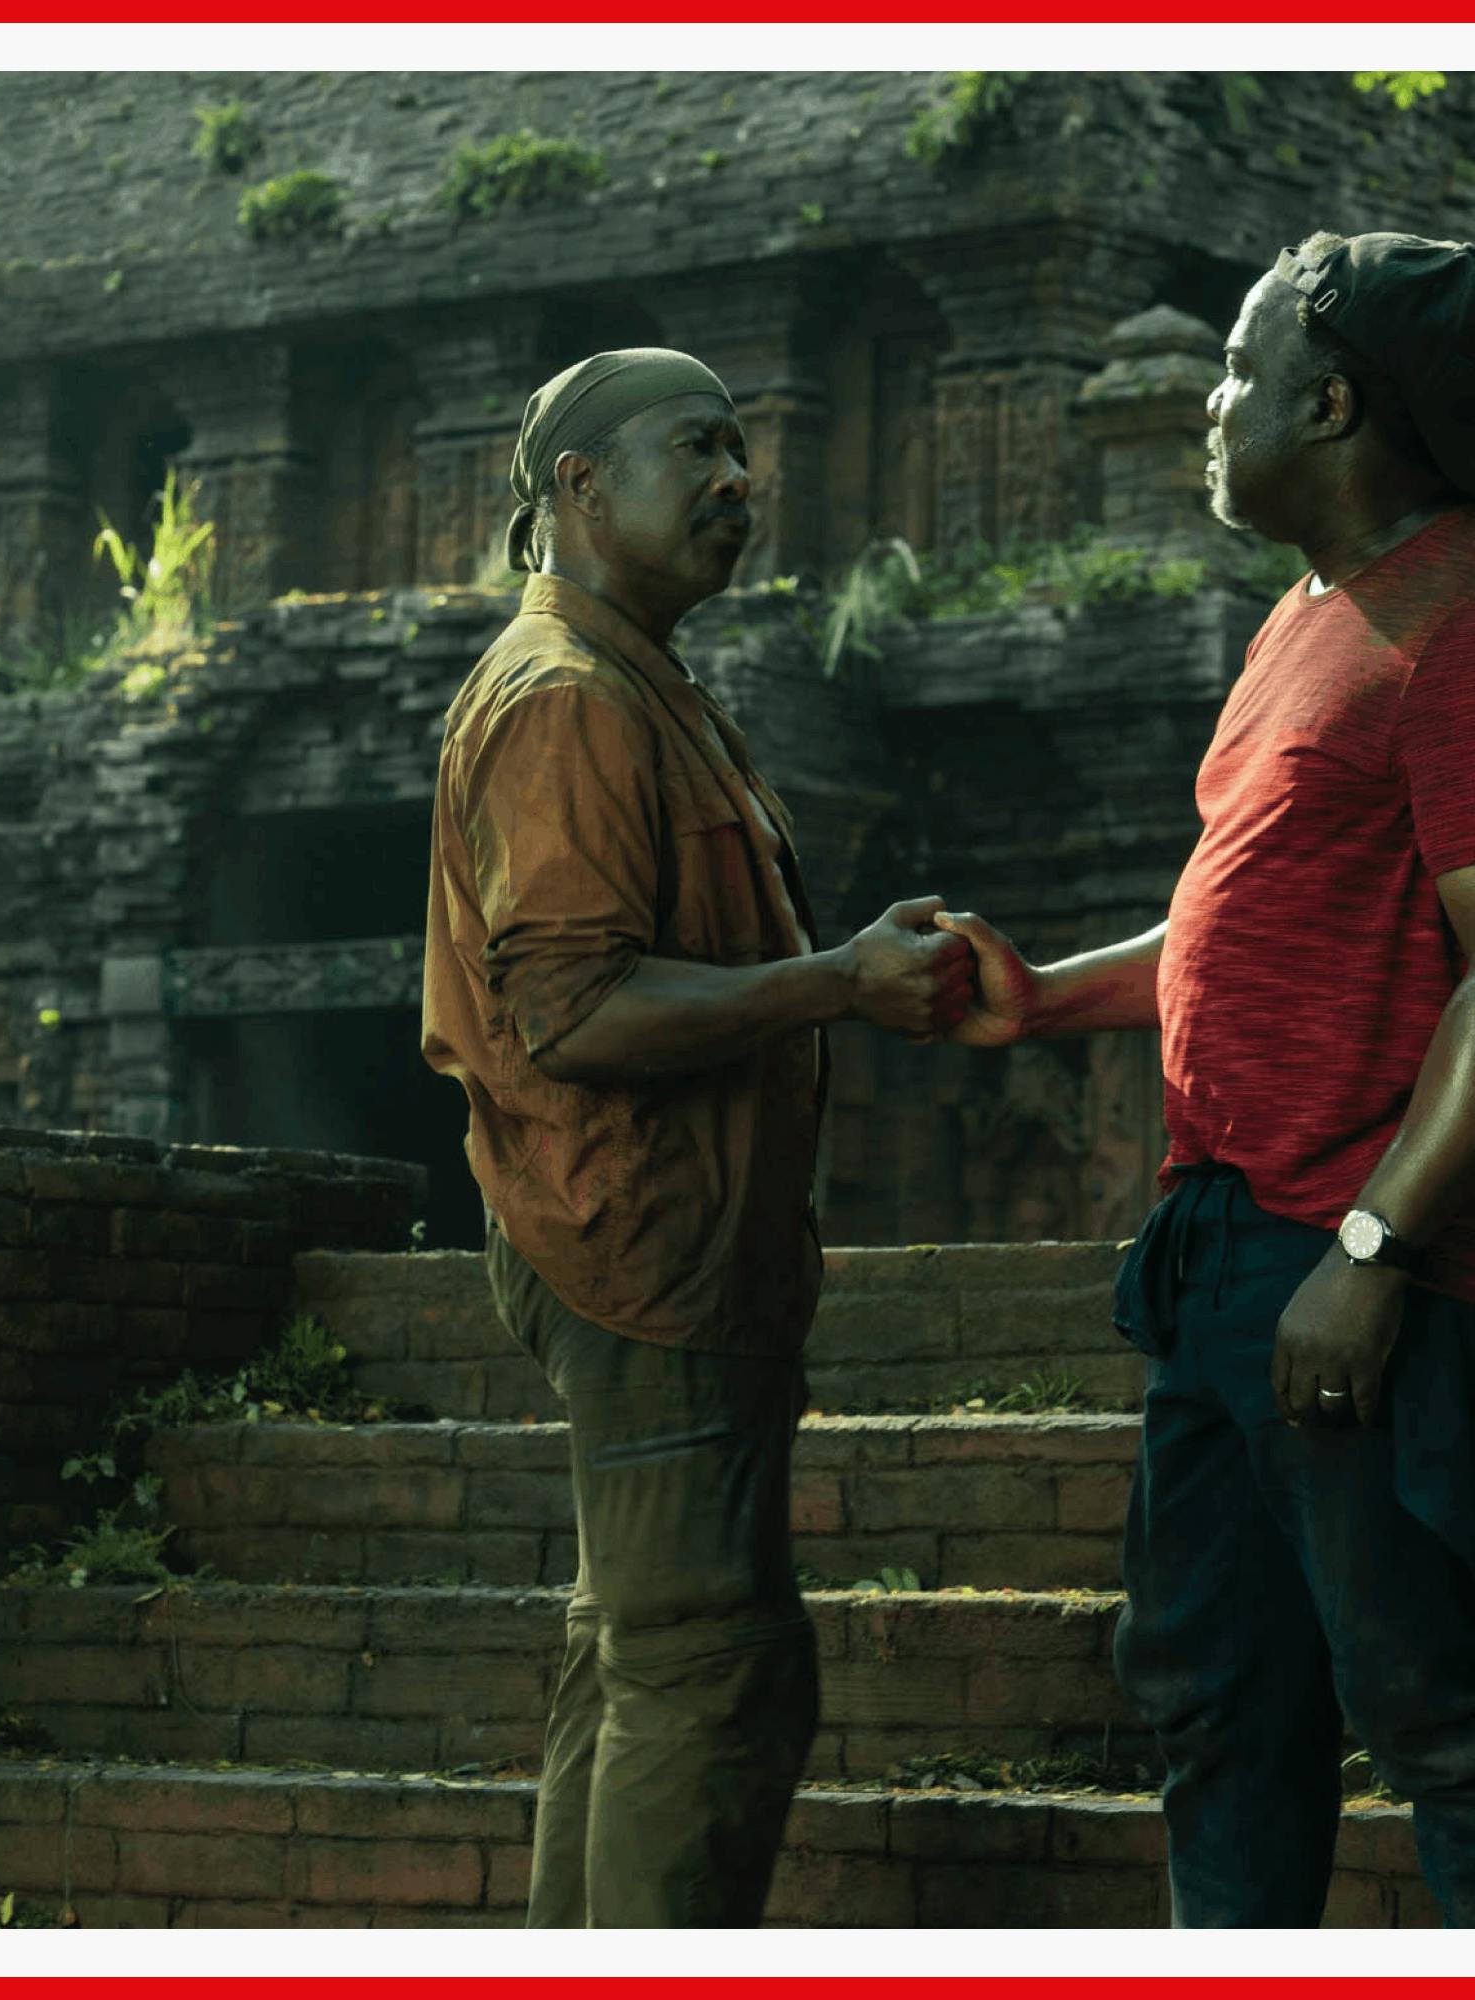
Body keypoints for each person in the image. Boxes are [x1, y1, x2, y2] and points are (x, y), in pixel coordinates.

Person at [934, 234, 1475, 1928]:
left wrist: (1373, 1249)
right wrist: (1045, 999)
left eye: (1238, 373)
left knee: (1445, 1723)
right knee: (1217, 1711)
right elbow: (1244, 924)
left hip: (1403, 1268)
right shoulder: (1314, 618)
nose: (1209, 404)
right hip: (1232, 1246)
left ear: (1329, 403)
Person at [421, 347, 972, 1927]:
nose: (741, 481)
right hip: (636, 1247)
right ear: (579, 488)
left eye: (746, 450)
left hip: (674, 1245)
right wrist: (835, 984)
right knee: (709, 1674)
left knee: (642, 1658)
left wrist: (844, 963)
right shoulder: (567, 701)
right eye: (698, 449)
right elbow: (572, 1016)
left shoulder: (640, 682)